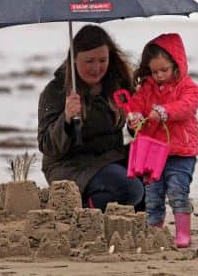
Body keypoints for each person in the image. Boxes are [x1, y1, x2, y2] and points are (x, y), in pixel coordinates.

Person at [37, 24, 144, 212]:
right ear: (74, 58)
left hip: (109, 158)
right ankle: (81, 212)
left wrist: (137, 124)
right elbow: (47, 145)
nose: (97, 68)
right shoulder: (55, 91)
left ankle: (122, 214)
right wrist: (66, 118)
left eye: (103, 60)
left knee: (152, 171)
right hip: (69, 166)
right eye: (89, 61)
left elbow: (137, 123)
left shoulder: (118, 83)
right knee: (131, 189)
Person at [126, 33, 198, 248]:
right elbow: (135, 105)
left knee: (178, 192)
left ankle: (183, 234)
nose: (159, 75)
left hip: (180, 152)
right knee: (153, 195)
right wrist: (134, 118)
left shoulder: (188, 86)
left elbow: (187, 106)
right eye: (154, 71)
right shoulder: (146, 88)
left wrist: (164, 111)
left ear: (176, 64)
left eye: (163, 70)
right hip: (152, 152)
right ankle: (155, 231)